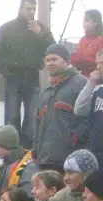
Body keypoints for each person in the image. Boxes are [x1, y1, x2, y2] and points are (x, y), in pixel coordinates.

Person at [0, 0, 55, 148]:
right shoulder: (7, 29)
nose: (31, 12)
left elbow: (53, 48)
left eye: (34, 9)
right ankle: (10, 148)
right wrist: (4, 69)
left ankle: (27, 149)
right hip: (12, 76)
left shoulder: (41, 28)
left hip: (32, 75)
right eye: (28, 9)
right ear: (20, 9)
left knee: (32, 116)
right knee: (12, 116)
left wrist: (40, 33)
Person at [35, 44, 89, 172]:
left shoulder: (81, 84)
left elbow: (88, 121)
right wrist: (36, 150)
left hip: (71, 161)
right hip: (44, 161)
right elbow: (37, 125)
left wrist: (75, 142)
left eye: (54, 59)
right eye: (47, 60)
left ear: (66, 60)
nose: (50, 63)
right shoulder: (46, 91)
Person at [75, 49, 103, 163]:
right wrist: (91, 83)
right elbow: (79, 109)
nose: (98, 67)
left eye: (102, 63)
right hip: (96, 154)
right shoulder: (98, 89)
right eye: (97, 63)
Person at [71, 10, 103, 77]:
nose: (83, 23)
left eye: (87, 20)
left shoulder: (100, 40)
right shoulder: (82, 40)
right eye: (83, 20)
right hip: (83, 77)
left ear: (95, 23)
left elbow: (99, 61)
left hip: (97, 77)